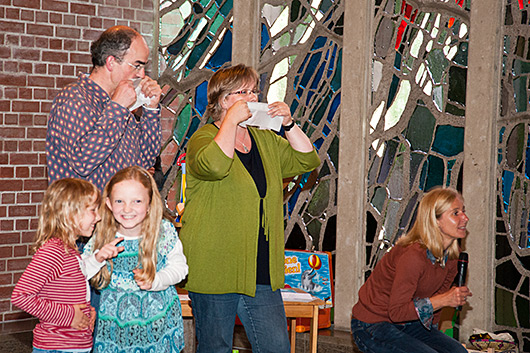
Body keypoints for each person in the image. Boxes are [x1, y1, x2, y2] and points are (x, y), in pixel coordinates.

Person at [179, 64, 321, 353]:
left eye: (254, 90)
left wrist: (290, 124)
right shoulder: (202, 139)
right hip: (216, 265)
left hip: (261, 267)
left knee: (277, 347)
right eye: (242, 91)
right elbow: (216, 165)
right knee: (215, 347)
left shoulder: (265, 140)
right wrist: (230, 123)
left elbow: (307, 161)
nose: (252, 96)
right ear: (223, 100)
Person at [350, 187, 473, 353]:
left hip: (410, 322)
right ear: (435, 220)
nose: (465, 218)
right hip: (373, 323)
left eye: (463, 211)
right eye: (456, 213)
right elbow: (396, 312)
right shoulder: (413, 256)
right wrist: (444, 300)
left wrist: (435, 338)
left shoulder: (451, 256)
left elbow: (435, 306)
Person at [11, 178, 124, 353]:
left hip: (75, 346)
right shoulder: (52, 252)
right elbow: (21, 296)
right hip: (56, 347)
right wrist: (70, 315)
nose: (99, 217)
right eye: (93, 211)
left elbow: (71, 281)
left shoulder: (69, 250)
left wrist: (87, 311)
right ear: (71, 214)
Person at [84, 166, 188, 353]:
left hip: (158, 326)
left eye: (137, 201)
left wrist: (156, 280)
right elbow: (78, 272)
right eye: (119, 201)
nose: (127, 209)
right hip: (114, 329)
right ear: (108, 203)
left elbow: (180, 268)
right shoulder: (102, 235)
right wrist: (97, 258)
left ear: (149, 204)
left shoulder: (162, 233)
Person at [46, 25, 162, 191]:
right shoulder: (73, 99)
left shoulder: (119, 105)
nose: (142, 75)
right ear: (111, 62)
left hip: (117, 212)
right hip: (83, 213)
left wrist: (151, 111)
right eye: (137, 65)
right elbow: (83, 162)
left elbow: (144, 163)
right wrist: (117, 108)